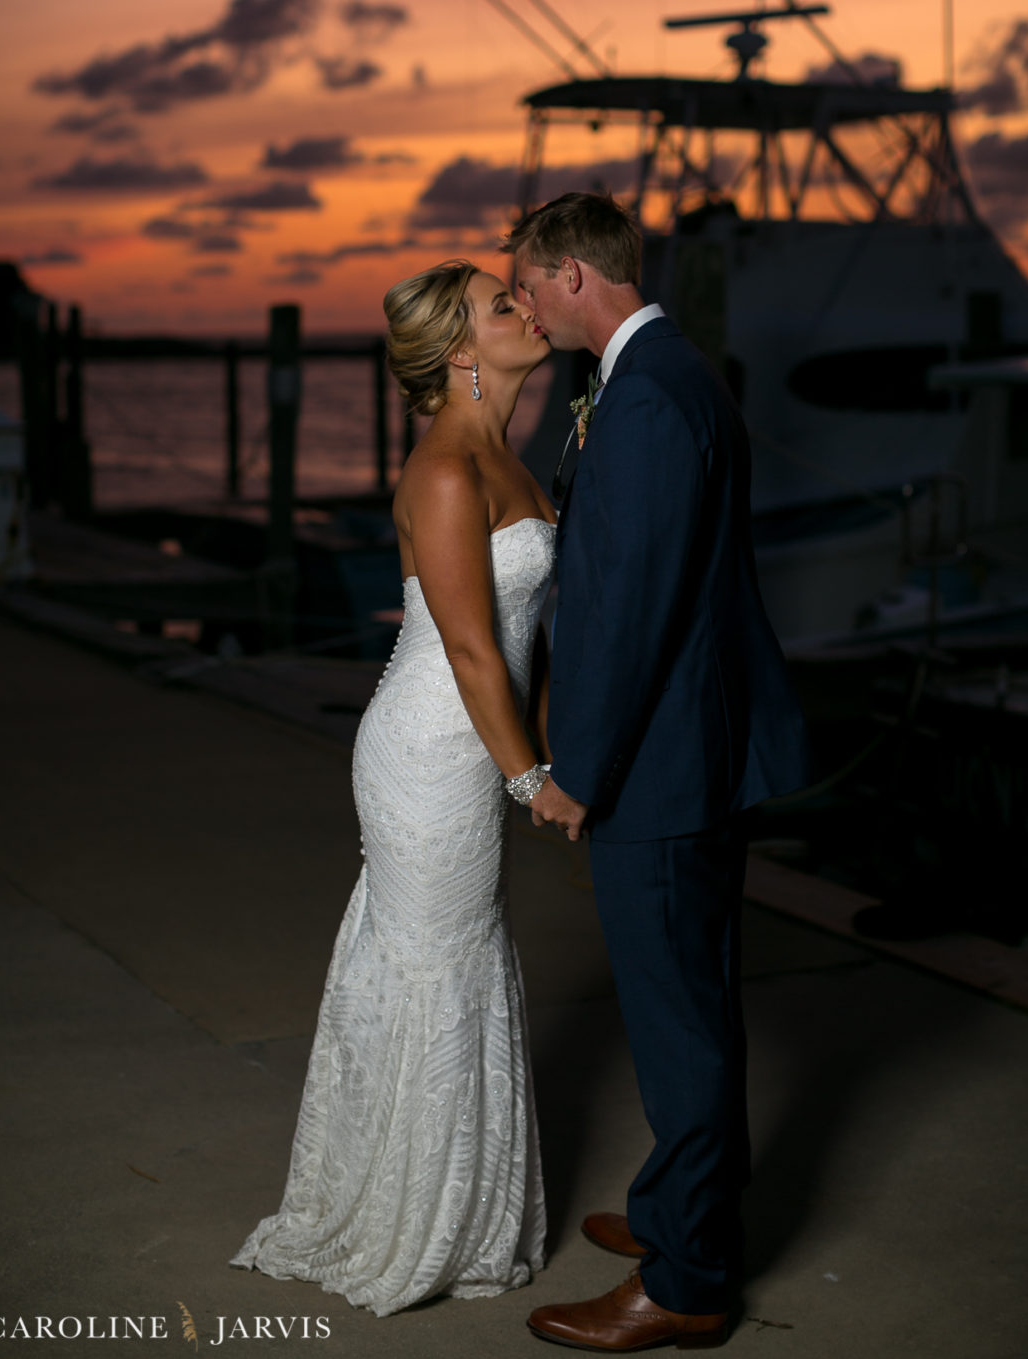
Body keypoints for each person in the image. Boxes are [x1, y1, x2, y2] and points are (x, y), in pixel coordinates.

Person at [506, 193, 810, 1352]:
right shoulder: (667, 374)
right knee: (696, 1004)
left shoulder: (641, 401)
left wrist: (577, 769)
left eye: (529, 286)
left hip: (662, 768)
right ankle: (678, 1209)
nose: (526, 308)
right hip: (696, 746)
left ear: (573, 277)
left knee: (677, 1024)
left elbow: (629, 610)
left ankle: (684, 1281)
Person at [232, 260, 556, 1316]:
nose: (525, 308)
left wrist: (544, 741)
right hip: (430, 752)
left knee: (460, 960)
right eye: (502, 304)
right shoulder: (448, 470)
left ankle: (454, 1212)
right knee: (435, 968)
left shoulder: (502, 454)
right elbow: (470, 649)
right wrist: (531, 778)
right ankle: (405, 1223)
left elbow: (525, 637)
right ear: (461, 352)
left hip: (471, 740)